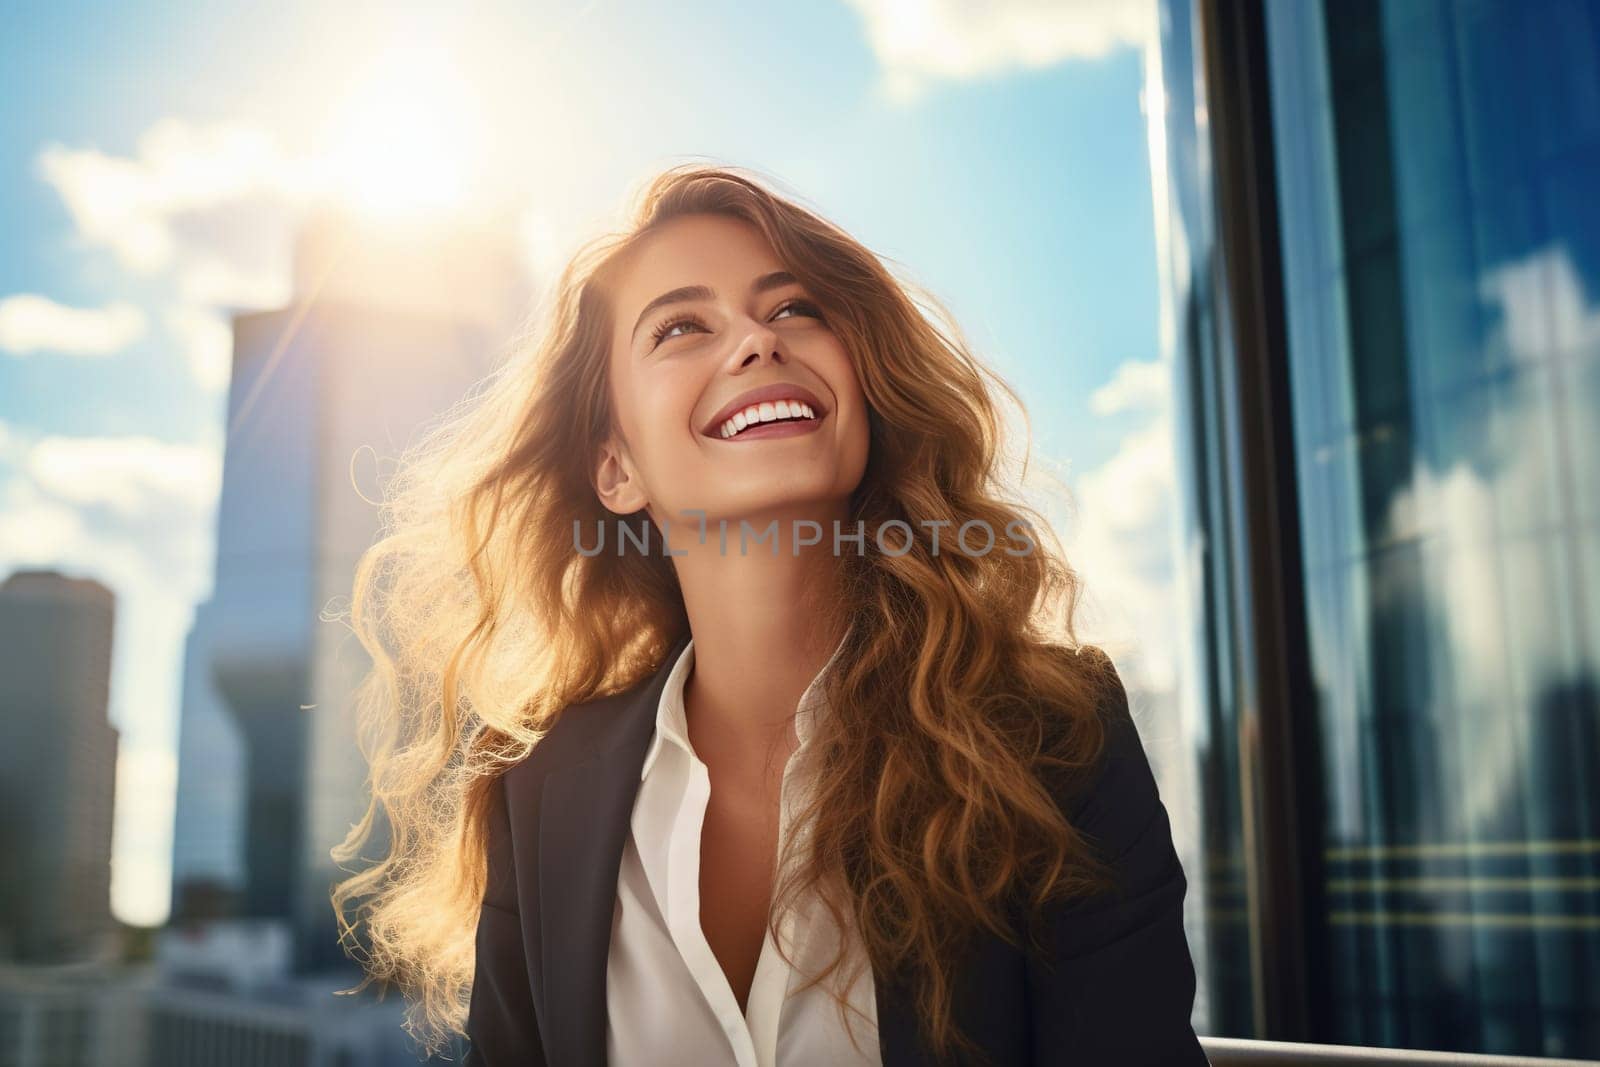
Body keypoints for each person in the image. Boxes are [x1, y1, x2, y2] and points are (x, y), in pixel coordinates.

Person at [331, 163, 1209, 1066]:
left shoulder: (1051, 734)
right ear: (616, 468)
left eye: (794, 308)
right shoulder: (538, 790)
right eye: (680, 326)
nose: (756, 341)